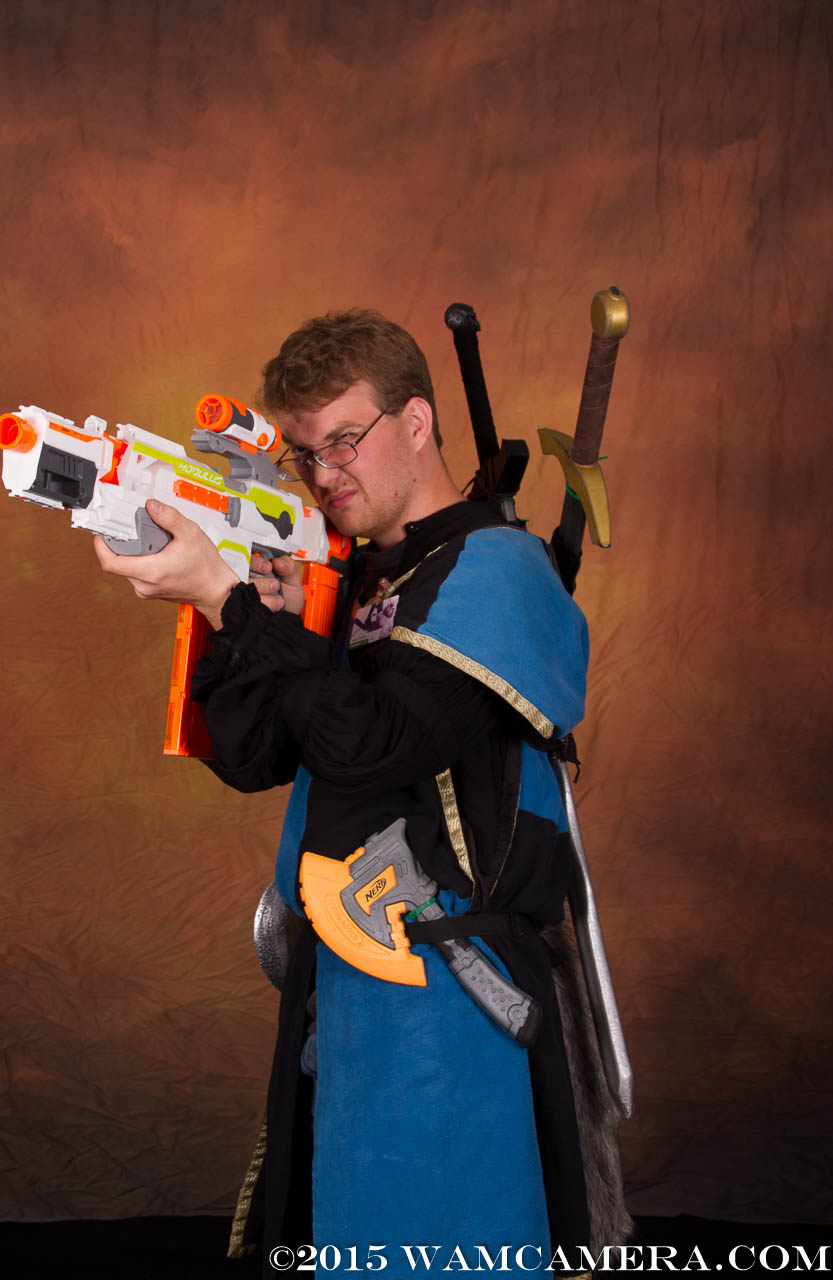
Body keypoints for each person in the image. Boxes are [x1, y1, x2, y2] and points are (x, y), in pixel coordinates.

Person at [95, 310, 597, 1279]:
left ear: (415, 420)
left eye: (343, 441)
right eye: (304, 452)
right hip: (347, 975)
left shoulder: (499, 570)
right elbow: (254, 755)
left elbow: (371, 747)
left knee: (453, 1251)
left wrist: (230, 602)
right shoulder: (355, 574)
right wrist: (235, 612)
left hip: (455, 993)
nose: (323, 474)